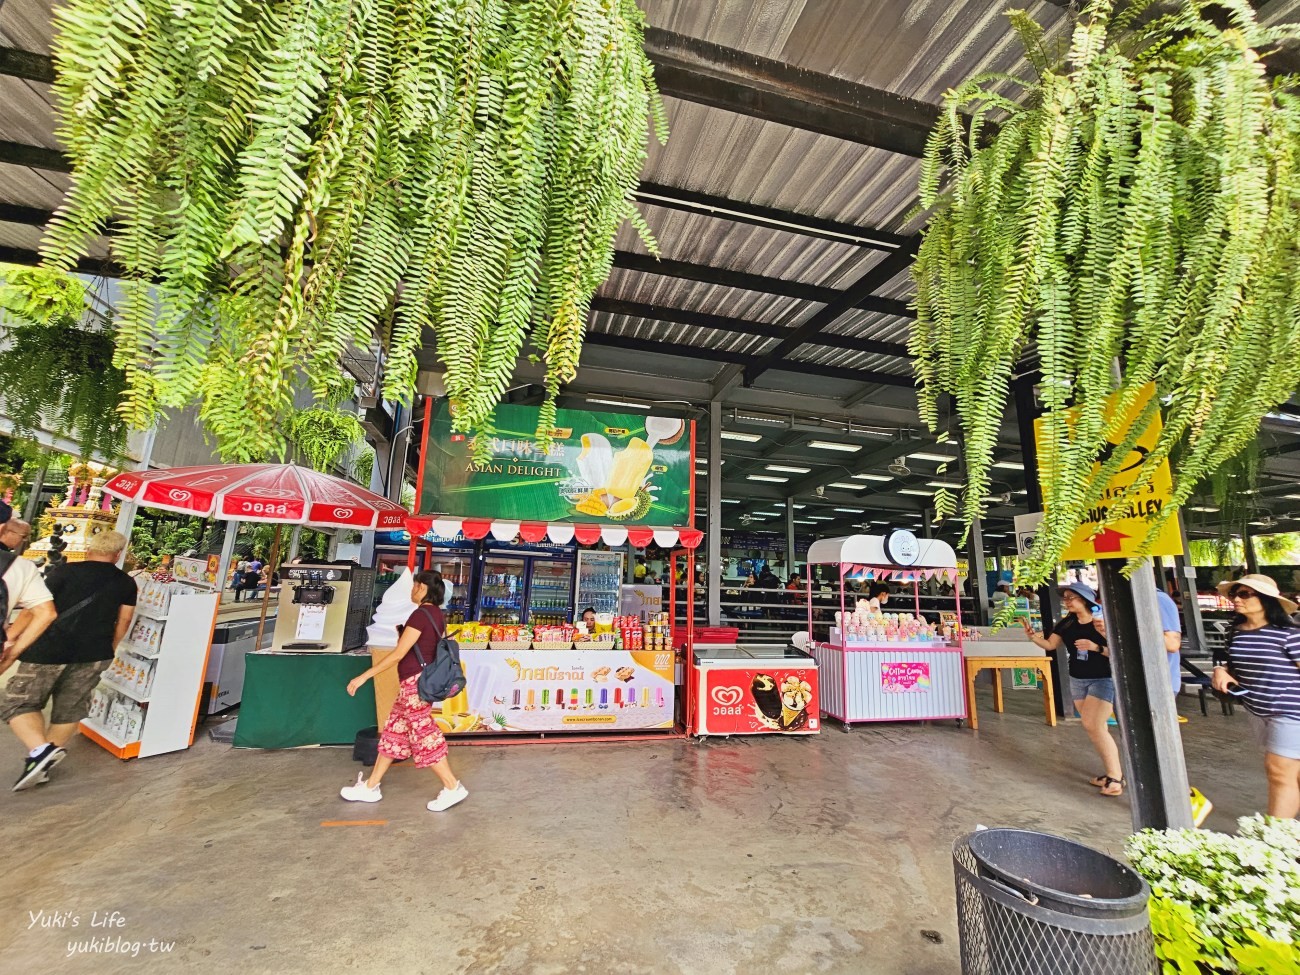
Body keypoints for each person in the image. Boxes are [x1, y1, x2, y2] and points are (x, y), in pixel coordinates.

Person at [3, 531, 136, 790]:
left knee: (17, 703)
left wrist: (13, 636)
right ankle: (41, 763)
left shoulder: (64, 571)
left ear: (90, 549)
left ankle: (39, 751)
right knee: (70, 708)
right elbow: (125, 620)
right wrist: (112, 646)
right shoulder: (126, 582)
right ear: (118, 554)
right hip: (94, 653)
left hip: (47, 650)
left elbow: (35, 608)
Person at [341, 570, 468, 811]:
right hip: (417, 682)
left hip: (414, 684)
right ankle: (371, 787)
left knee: (423, 734)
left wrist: (364, 676)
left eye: (414, 586)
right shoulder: (436, 614)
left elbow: (399, 653)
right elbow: (425, 646)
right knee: (394, 734)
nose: (411, 590)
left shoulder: (420, 615)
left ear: (421, 588)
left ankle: (452, 787)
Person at [1210, 574, 1300, 818]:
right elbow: (1232, 665)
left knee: (1278, 771)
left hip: (1291, 709)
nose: (1236, 599)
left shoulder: (1288, 634)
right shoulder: (1236, 632)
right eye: (1234, 594)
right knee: (1292, 772)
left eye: (1244, 594)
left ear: (1266, 600)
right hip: (1257, 708)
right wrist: (1221, 671)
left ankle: (1274, 844)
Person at [1022, 583, 1123, 796]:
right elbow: (1050, 645)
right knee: (1095, 728)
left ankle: (1116, 779)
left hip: (1103, 678)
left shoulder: (1100, 623)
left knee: (1092, 724)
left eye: (1071, 597)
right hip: (1078, 679)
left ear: (1085, 599)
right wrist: (1032, 637)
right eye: (1065, 598)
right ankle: (1111, 772)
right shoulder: (1066, 624)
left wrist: (1096, 647)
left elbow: (1119, 652)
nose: (1067, 601)